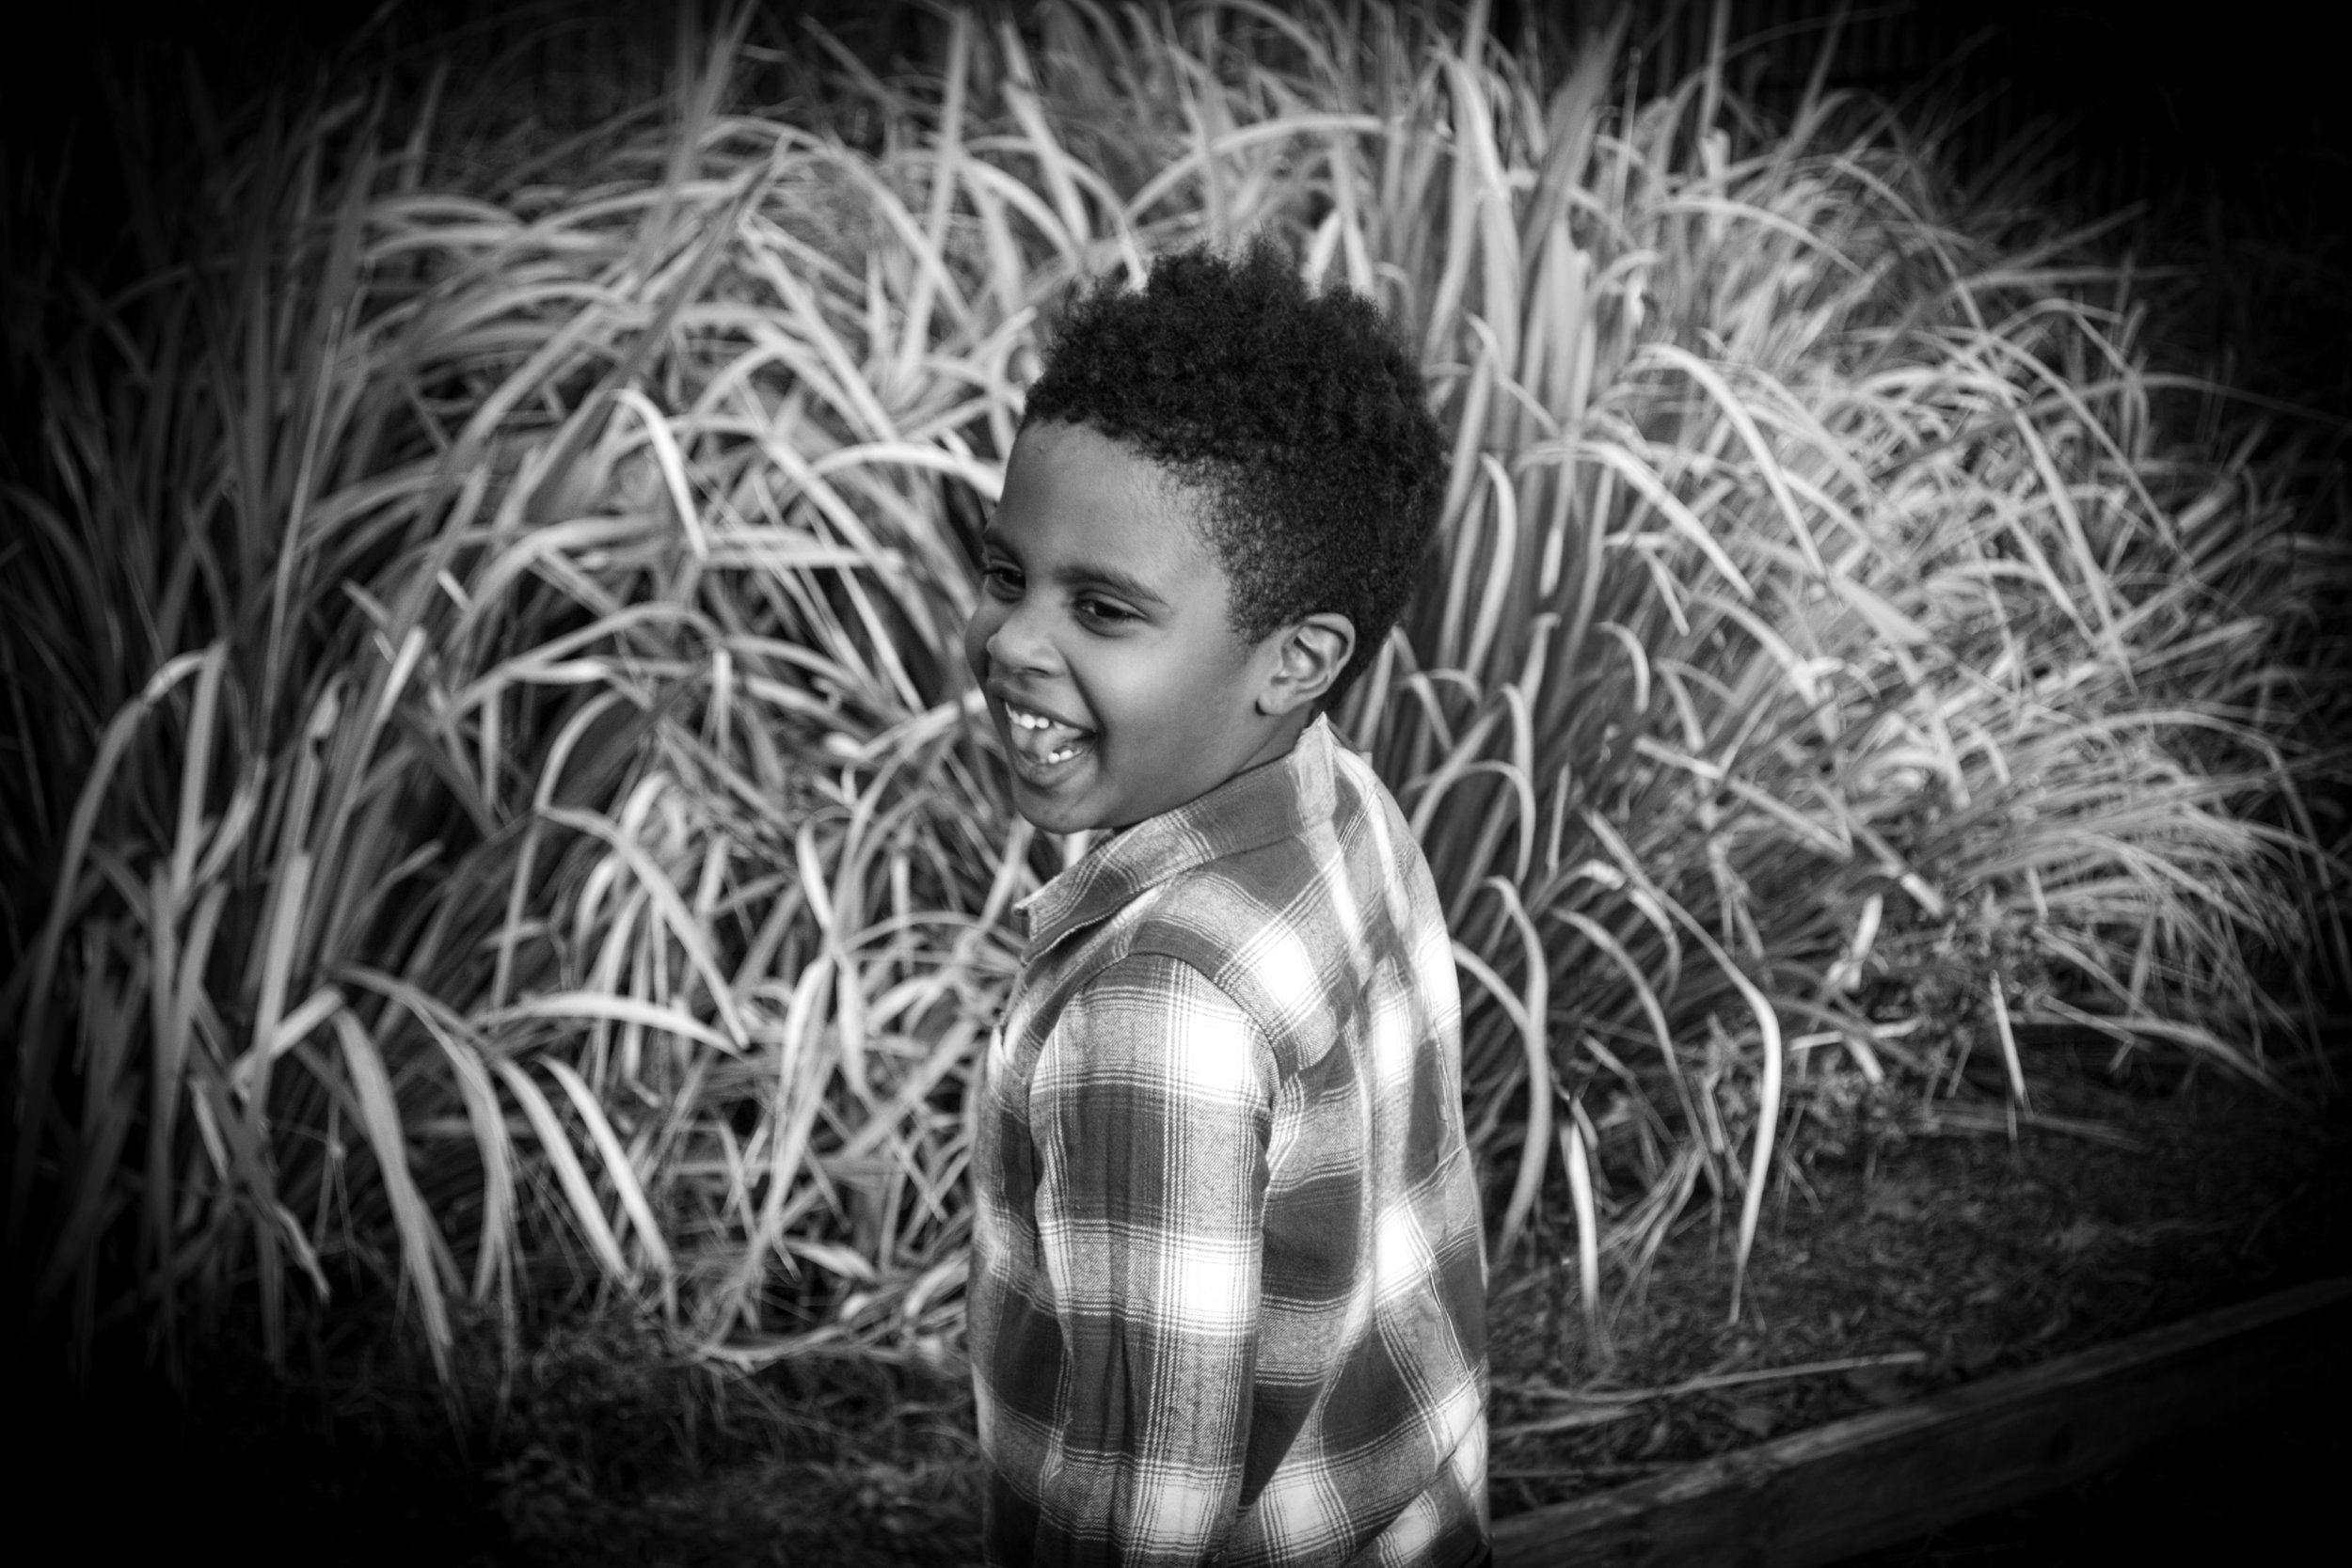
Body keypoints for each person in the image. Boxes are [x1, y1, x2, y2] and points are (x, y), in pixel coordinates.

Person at [964, 239, 1490, 1567]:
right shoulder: (1340, 798)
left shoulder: (1154, 1017)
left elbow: (1147, 1516)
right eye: (1005, 575)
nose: (1016, 643)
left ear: (1296, 659)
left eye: (1102, 607)